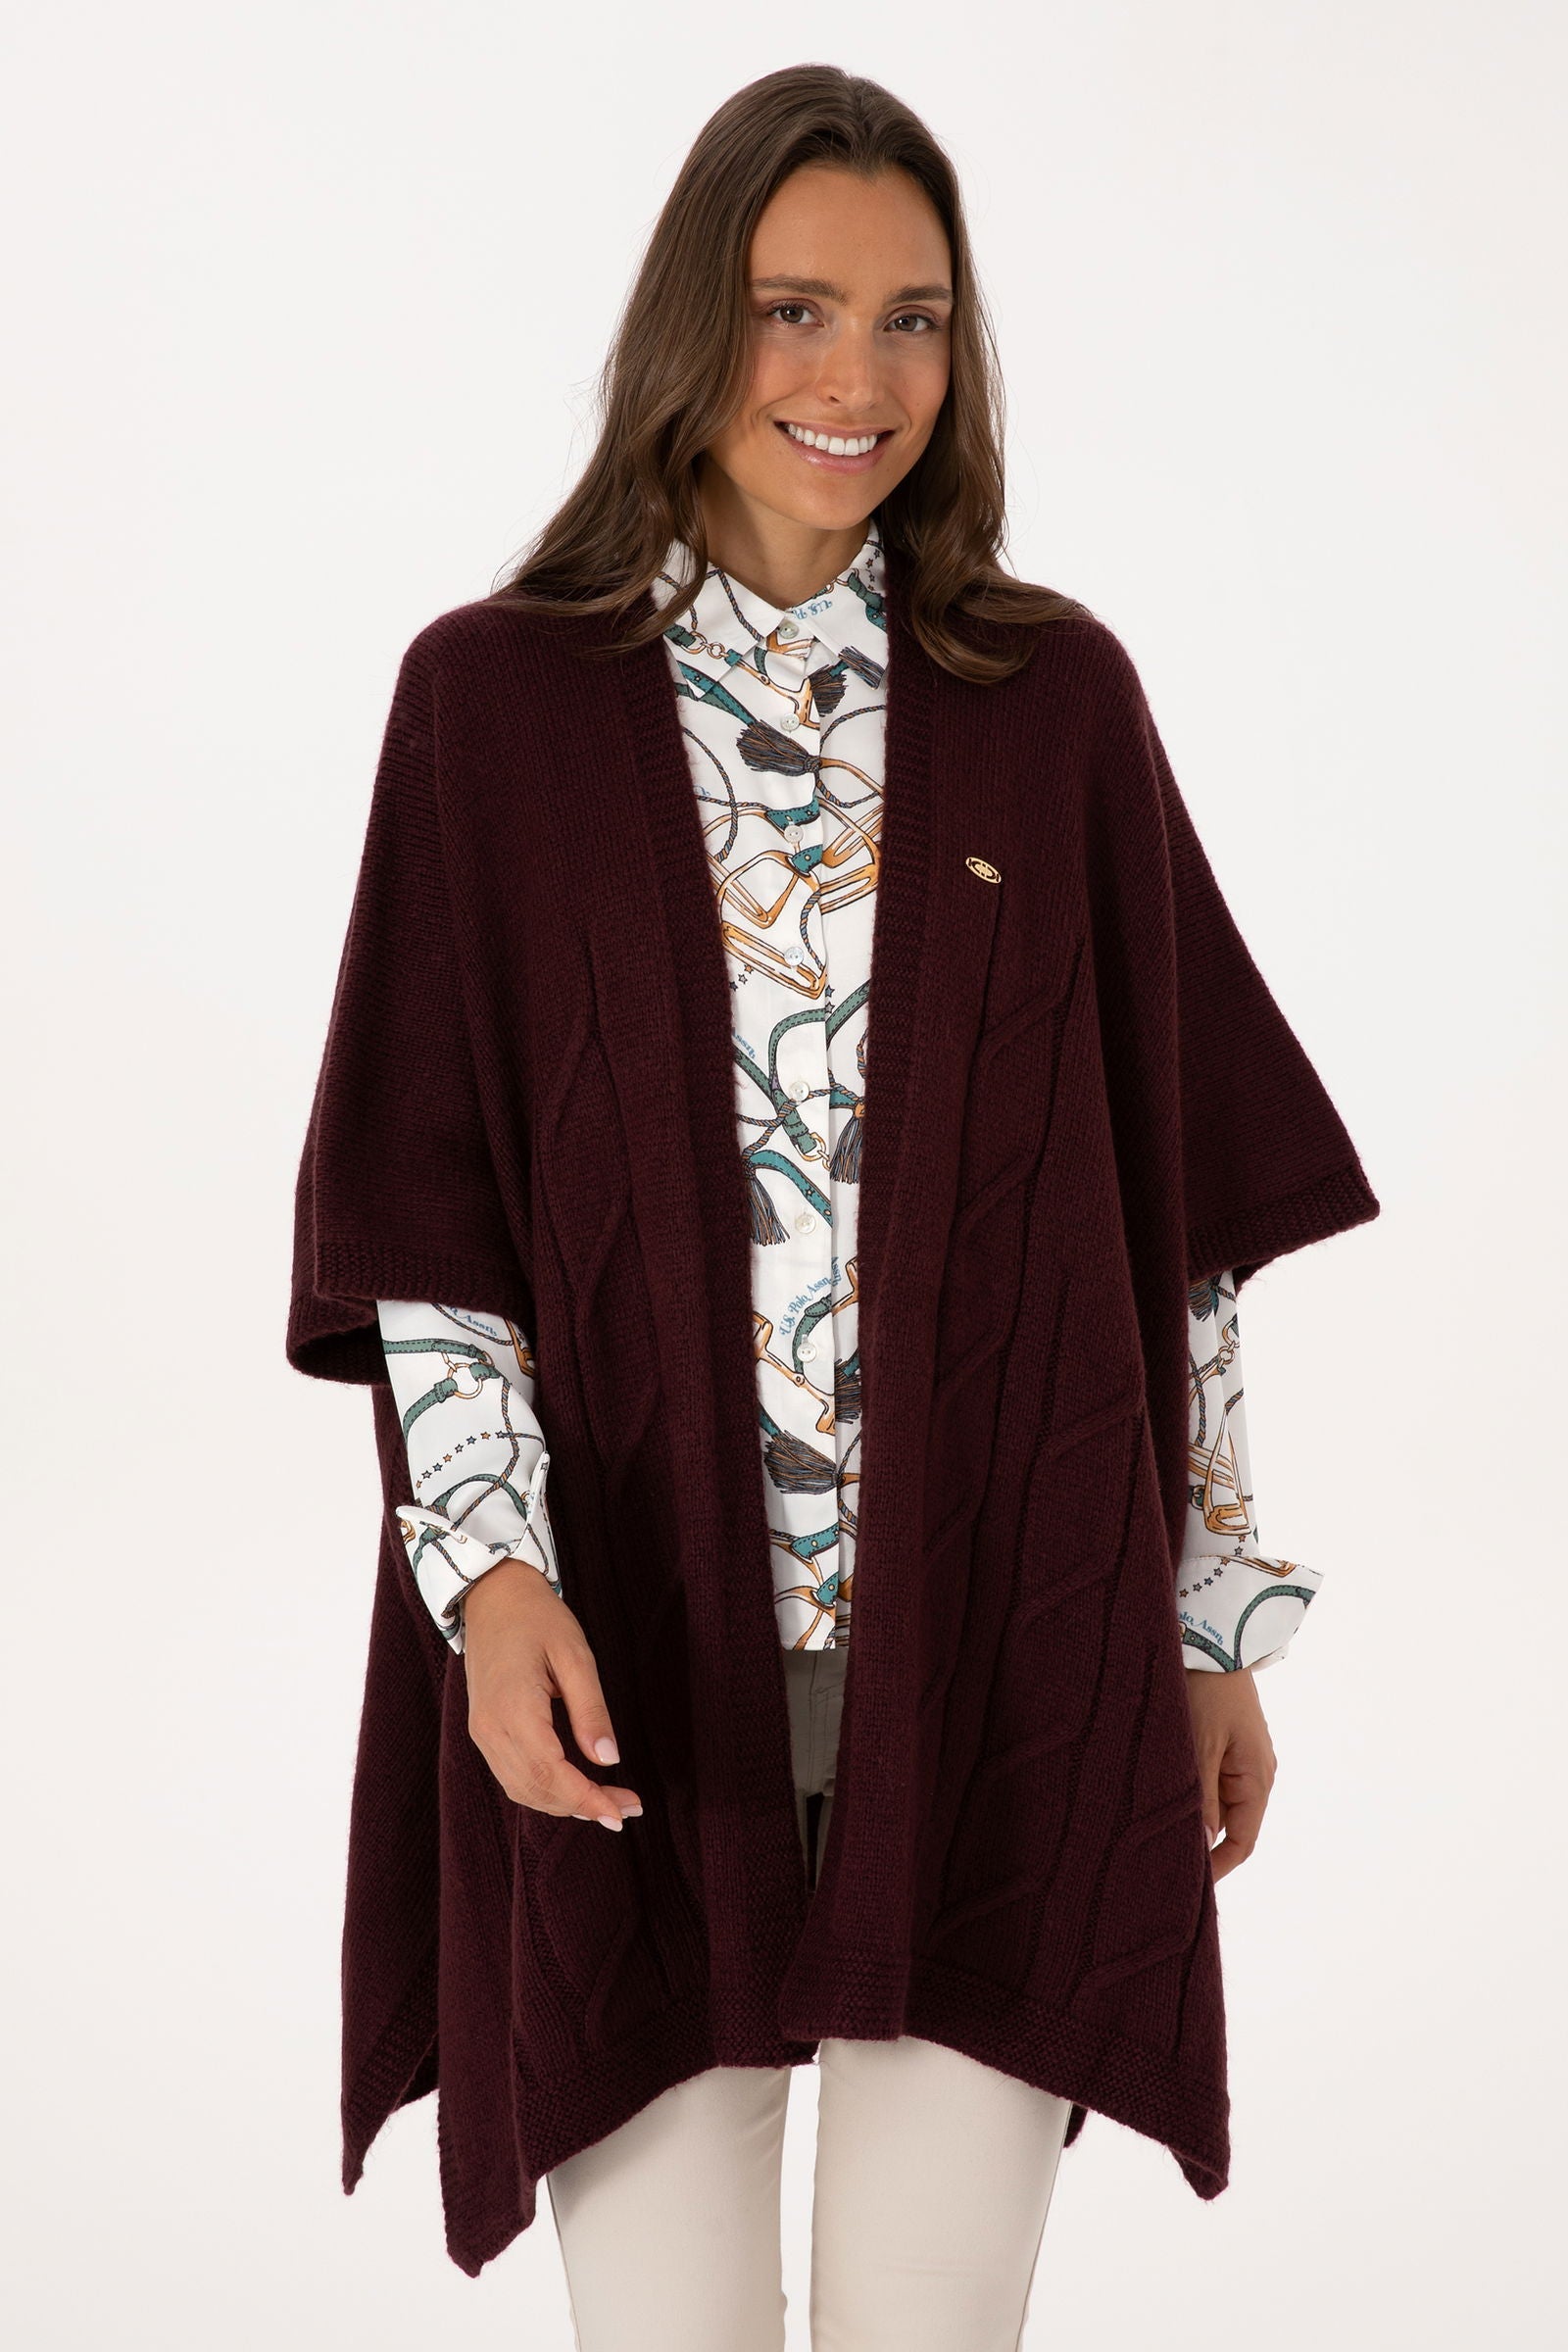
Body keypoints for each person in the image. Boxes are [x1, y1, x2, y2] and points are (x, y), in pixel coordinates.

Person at [286, 64, 1379, 2350]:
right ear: (693, 321)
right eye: (795, 308)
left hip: (1005, 1672)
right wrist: (488, 1580)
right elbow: (433, 1224)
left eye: (911, 320)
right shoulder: (493, 708)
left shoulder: (1048, 704)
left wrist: (1204, 1618)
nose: (854, 378)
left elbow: (1166, 1217)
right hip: (629, 1673)